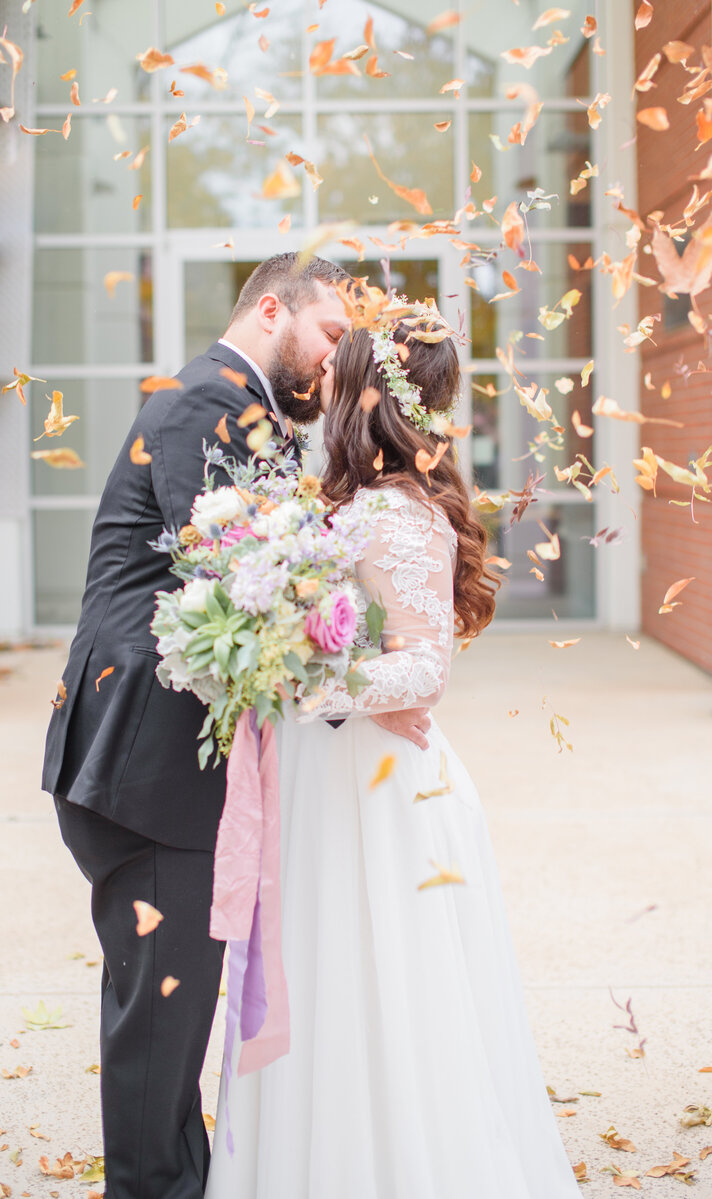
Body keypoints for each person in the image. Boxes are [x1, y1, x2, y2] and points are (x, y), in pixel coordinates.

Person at [41, 254, 431, 1199]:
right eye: (333, 334)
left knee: (167, 1021)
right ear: (271, 309)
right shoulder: (202, 407)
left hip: (160, 768)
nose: (338, 360)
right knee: (158, 1027)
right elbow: (247, 577)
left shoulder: (233, 408)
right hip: (145, 769)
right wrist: (360, 674)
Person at [205, 307, 582, 1198]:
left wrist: (306, 685)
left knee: (382, 1000)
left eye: (343, 361)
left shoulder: (396, 517)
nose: (324, 369)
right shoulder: (358, 502)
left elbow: (422, 668)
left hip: (373, 796)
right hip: (334, 781)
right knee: (332, 992)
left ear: (368, 392)